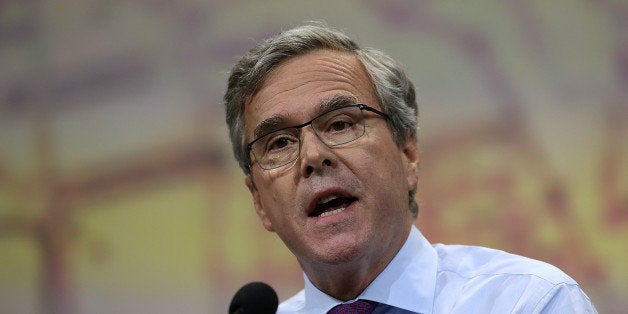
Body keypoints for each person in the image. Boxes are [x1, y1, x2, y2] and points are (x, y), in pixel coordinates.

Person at [223, 22, 597, 313]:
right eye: (280, 143)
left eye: (340, 124)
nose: (312, 156)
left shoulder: (529, 302)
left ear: (408, 153)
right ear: (259, 202)